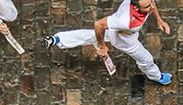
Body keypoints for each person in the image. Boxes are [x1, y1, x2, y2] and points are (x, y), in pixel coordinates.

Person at [43, 0, 173, 85]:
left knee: (89, 35)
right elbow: (99, 24)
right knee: (146, 59)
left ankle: (57, 39)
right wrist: (102, 46)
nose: (151, 7)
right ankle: (156, 76)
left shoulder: (144, 3)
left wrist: (159, 20)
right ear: (136, 8)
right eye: (147, 7)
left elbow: (152, 4)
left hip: (117, 30)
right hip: (126, 41)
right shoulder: (124, 21)